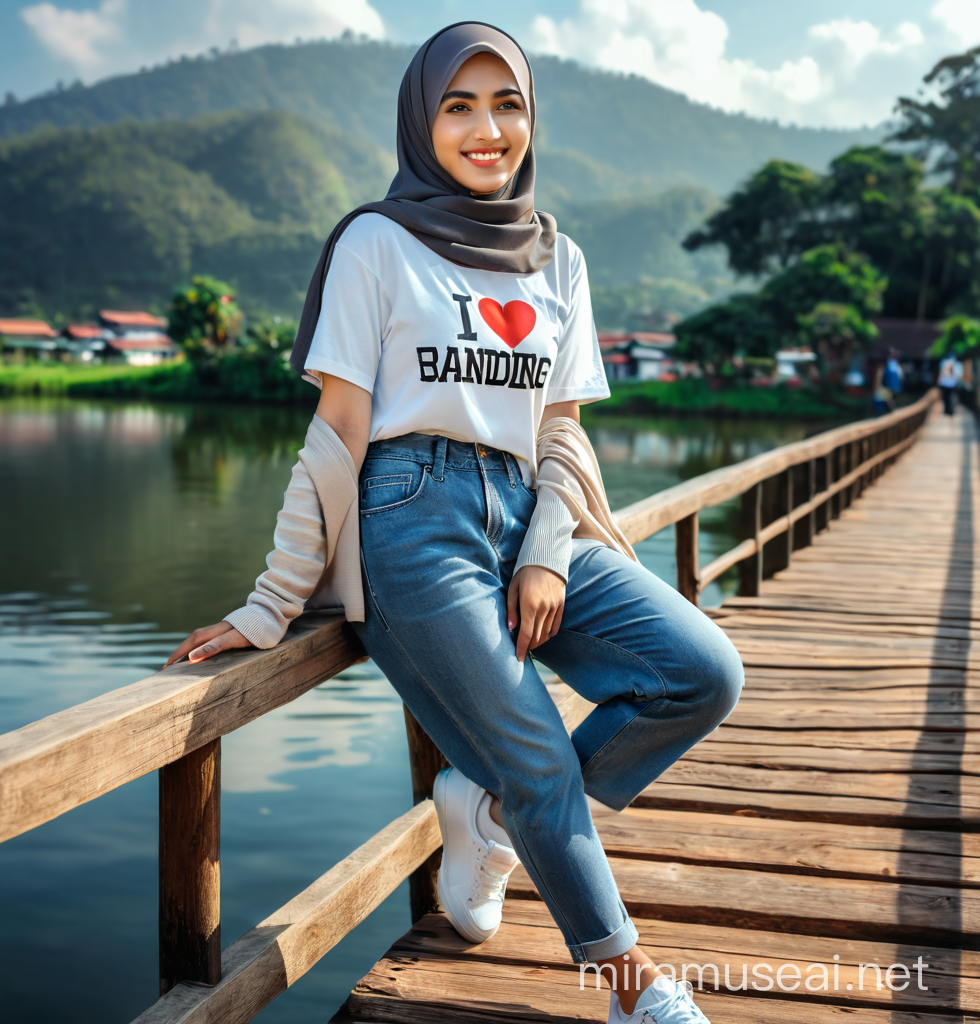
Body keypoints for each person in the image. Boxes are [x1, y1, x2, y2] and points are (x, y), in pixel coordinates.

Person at [165, 23, 743, 1024]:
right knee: (534, 756)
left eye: (507, 104)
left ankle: (483, 806)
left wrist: (549, 553)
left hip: (528, 509)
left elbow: (560, 433)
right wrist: (272, 602)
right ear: (420, 119)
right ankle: (631, 988)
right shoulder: (375, 241)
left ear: (531, 117)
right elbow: (338, 433)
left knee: (701, 671)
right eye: (458, 105)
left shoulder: (557, 256)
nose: (488, 129)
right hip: (407, 520)